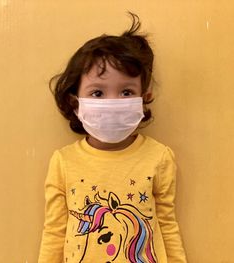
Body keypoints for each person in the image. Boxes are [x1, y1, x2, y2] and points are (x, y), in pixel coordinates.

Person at [38, 12, 186, 263]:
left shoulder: (159, 157)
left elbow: (167, 225)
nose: (113, 103)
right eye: (97, 93)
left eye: (126, 92)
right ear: (75, 102)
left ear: (144, 97)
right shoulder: (62, 162)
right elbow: (54, 231)